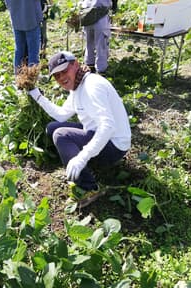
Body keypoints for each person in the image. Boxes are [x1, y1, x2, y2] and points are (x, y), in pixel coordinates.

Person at [28, 51, 131, 207]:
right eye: (56, 76)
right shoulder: (77, 86)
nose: (61, 78)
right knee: (52, 127)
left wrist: (82, 157)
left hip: (114, 145)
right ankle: (72, 162)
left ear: (75, 64)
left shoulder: (92, 86)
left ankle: (89, 187)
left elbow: (108, 126)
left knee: (61, 135)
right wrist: (37, 95)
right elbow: (62, 115)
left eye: (64, 71)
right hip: (98, 136)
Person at [4, 0, 43, 74]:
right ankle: (31, 80)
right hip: (32, 17)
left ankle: (18, 78)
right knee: (33, 52)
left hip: (16, 18)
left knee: (19, 50)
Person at [80, 0, 113, 74]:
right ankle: (101, 71)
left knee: (89, 44)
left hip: (87, 14)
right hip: (100, 14)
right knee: (101, 45)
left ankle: (89, 67)